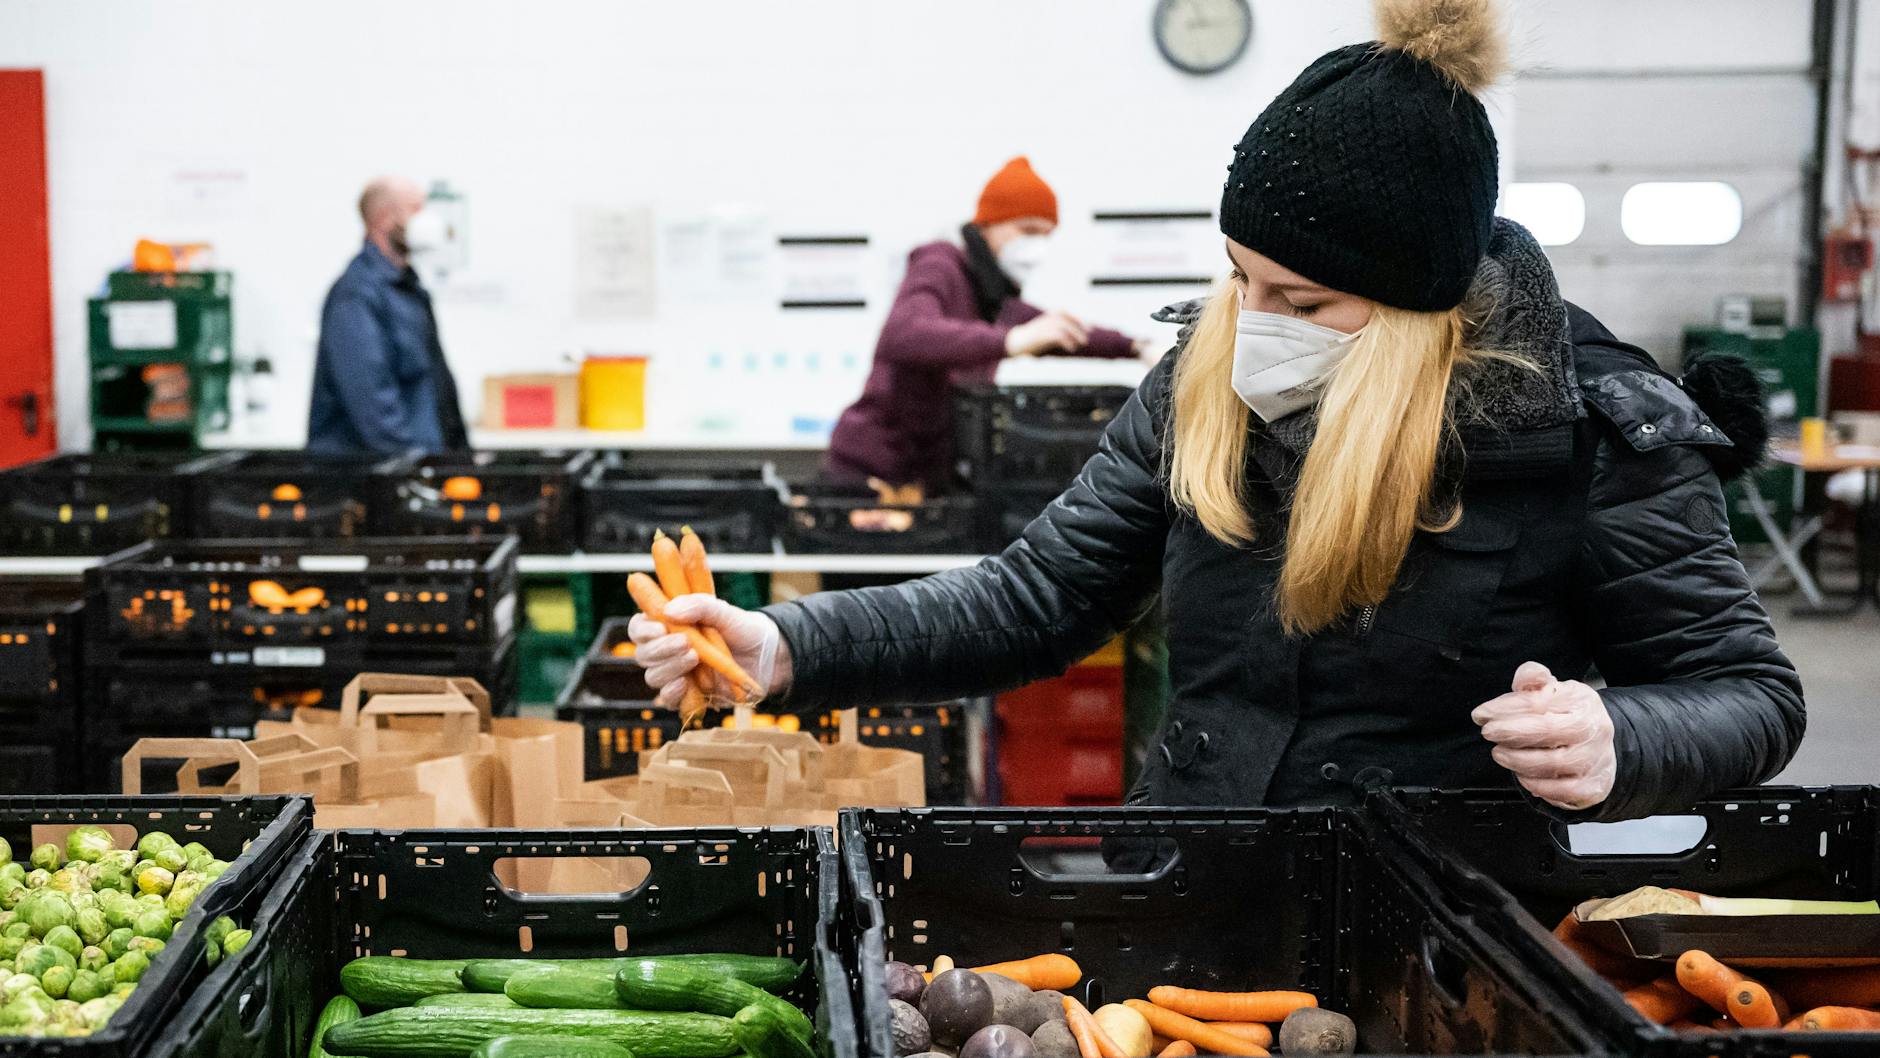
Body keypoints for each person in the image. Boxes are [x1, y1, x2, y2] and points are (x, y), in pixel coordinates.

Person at [632, 0, 1804, 824]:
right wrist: (789, 644)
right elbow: (1037, 595)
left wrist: (1617, 736)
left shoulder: (1594, 433)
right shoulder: (1204, 381)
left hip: (1449, 929)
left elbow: (1748, 694)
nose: (1253, 320)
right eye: (1239, 275)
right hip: (1194, 870)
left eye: (1302, 298)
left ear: (1418, 308)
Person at [824, 156, 1150, 492]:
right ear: (989, 224)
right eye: (1027, 231)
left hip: (926, 477)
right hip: (873, 476)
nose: (1037, 247)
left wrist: (1135, 346)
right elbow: (905, 333)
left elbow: (1056, 330)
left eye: (1046, 236)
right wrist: (1010, 341)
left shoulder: (989, 294)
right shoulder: (939, 264)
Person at [307, 176, 468, 455]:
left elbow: (435, 386)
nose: (428, 220)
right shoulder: (356, 295)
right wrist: (410, 466)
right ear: (383, 218)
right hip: (374, 478)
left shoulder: (408, 288)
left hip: (418, 467)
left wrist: (458, 456)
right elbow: (370, 399)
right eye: (416, 209)